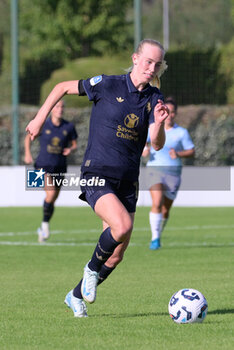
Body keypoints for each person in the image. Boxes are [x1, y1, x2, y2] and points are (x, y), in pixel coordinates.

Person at [25, 38, 169, 317]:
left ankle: (75, 295)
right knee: (123, 225)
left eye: (157, 64)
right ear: (135, 58)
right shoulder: (107, 83)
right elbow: (62, 87)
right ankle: (90, 270)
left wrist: (160, 124)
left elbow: (157, 144)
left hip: (127, 181)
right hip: (97, 174)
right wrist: (40, 118)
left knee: (117, 253)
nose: (151, 68)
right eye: (148, 61)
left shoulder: (154, 99)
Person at [142, 97, 195, 250]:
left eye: (173, 112)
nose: (170, 115)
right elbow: (140, 142)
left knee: (165, 209)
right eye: (167, 111)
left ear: (175, 114)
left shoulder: (181, 132)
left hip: (173, 173)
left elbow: (191, 151)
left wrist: (179, 154)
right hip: (154, 170)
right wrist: (144, 149)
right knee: (157, 202)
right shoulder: (152, 128)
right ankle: (155, 238)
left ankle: (158, 232)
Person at [24, 100, 78, 243]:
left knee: (53, 199)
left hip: (60, 166)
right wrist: (27, 154)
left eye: (62, 107)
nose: (60, 109)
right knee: (51, 193)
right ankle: (45, 226)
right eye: (57, 106)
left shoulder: (69, 126)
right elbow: (28, 137)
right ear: (52, 109)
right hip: (41, 166)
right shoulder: (43, 124)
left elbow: (74, 144)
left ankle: (43, 226)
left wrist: (70, 149)